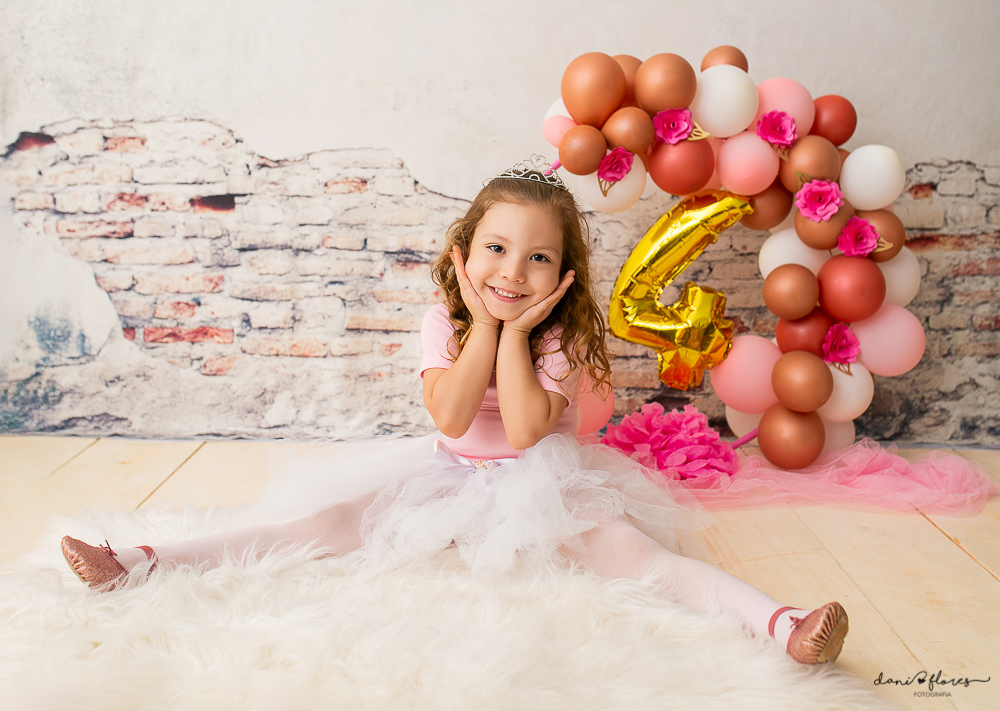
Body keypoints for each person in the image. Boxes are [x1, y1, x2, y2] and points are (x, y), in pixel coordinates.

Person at [61, 156, 848, 665]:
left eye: (539, 257)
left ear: (564, 277)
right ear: (463, 254)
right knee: (321, 526)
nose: (513, 270)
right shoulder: (443, 321)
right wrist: (484, 321)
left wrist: (517, 329)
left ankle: (783, 623)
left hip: (542, 481)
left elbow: (531, 429)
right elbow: (452, 414)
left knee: (638, 559)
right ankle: (140, 558)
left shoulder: (561, 338)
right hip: (445, 471)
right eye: (496, 250)